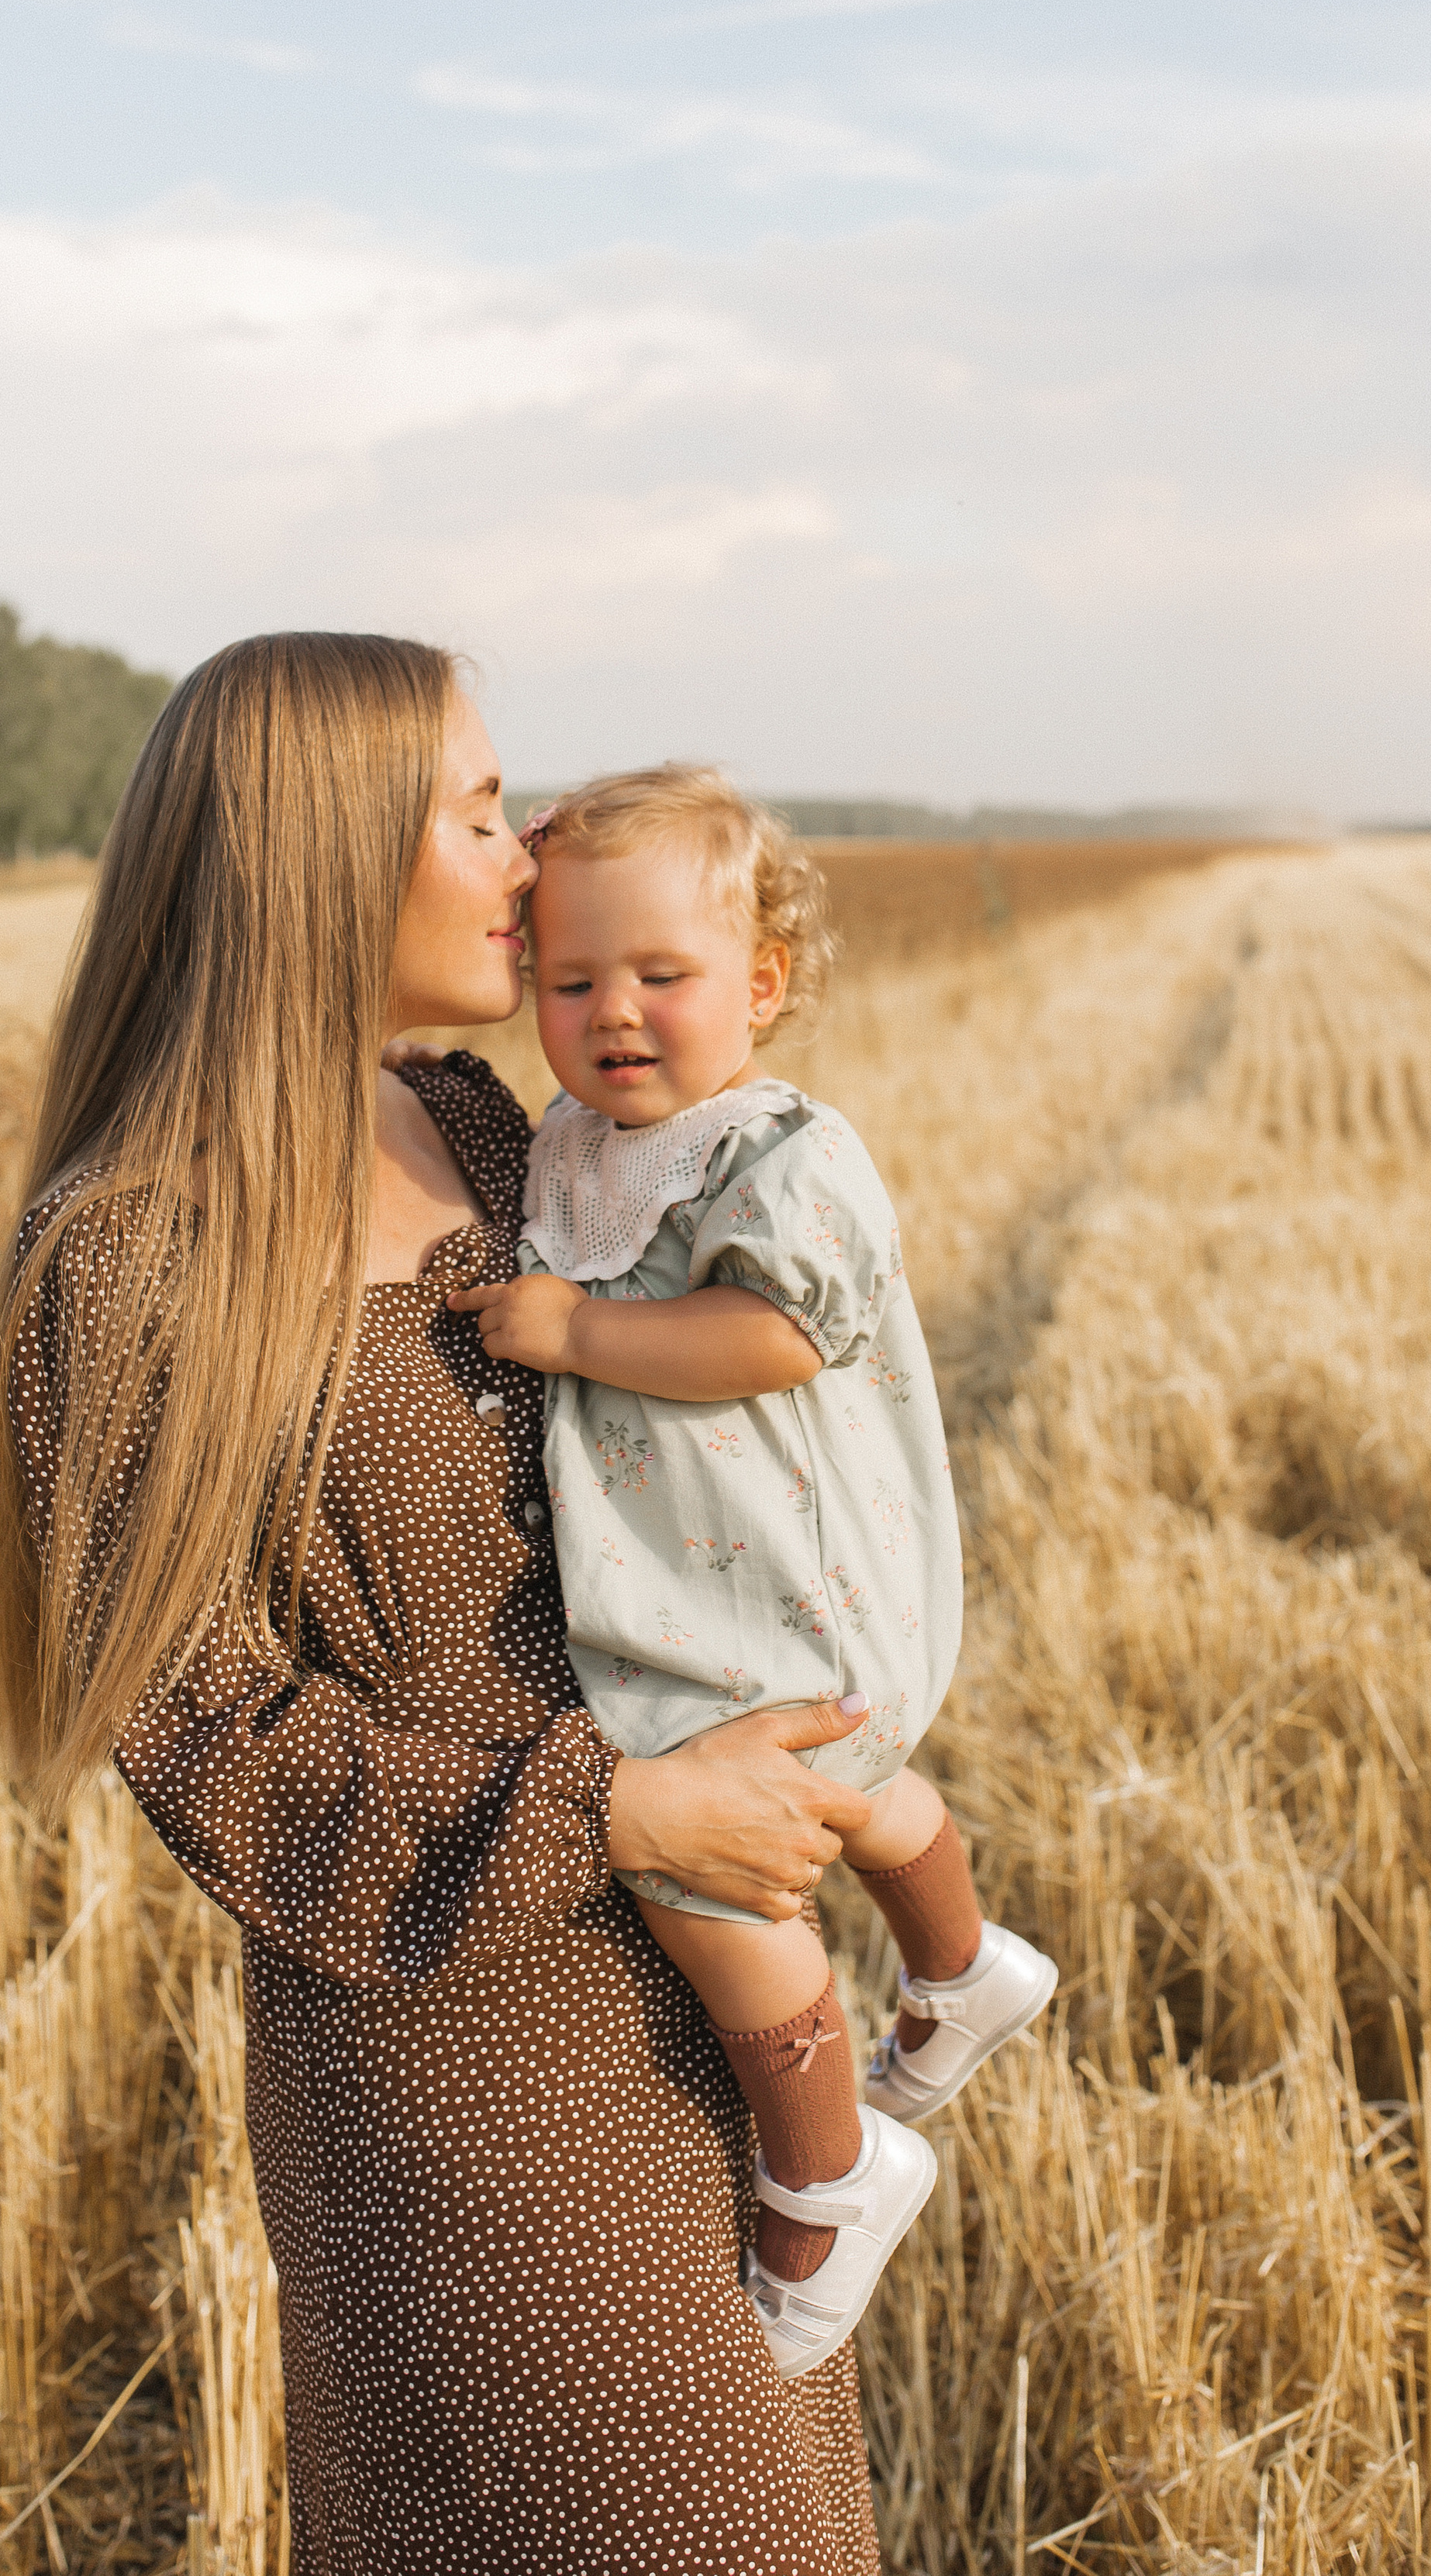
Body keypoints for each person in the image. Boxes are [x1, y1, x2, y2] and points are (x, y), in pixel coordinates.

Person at [0, 636, 891, 2576]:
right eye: (483, 813)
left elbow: (728, 1359)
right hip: (454, 2074)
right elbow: (206, 1737)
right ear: (322, 857)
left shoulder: (483, 1130)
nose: (532, 846)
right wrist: (627, 1809)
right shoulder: (133, 1255)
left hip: (695, 1991)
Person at [449, 765, 1057, 2378]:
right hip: (702, 1572)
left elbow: (775, 1337)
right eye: (571, 981)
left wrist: (579, 1331)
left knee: (711, 1874)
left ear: (761, 988)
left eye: (664, 977)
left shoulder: (776, 1153)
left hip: (765, 1573)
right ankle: (962, 1964)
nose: (614, 1013)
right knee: (850, 1781)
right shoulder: (572, 1147)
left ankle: (827, 2167)